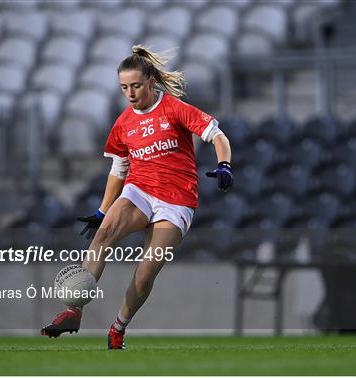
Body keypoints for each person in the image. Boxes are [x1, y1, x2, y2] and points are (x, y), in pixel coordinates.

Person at [41, 45, 234, 349]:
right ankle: (73, 310)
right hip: (140, 190)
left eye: (135, 85)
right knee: (103, 235)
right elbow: (118, 170)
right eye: (123, 87)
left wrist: (224, 164)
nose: (129, 93)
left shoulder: (174, 108)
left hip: (177, 200)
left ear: (151, 82)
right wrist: (104, 211)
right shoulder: (123, 124)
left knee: (146, 272)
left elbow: (217, 135)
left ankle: (118, 328)